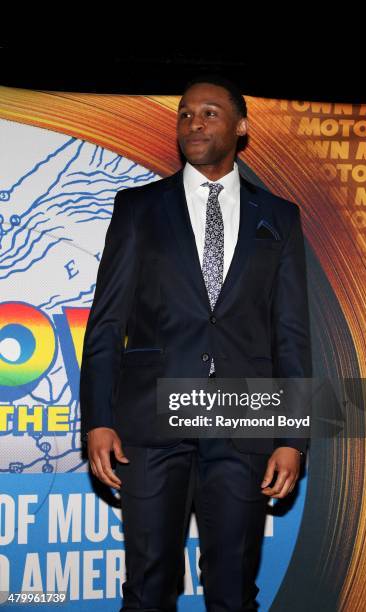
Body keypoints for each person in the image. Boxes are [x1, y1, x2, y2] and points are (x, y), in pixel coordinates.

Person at [79, 73, 312, 611]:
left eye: (209, 112)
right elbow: (107, 323)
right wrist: (98, 419)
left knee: (233, 593)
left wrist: (293, 437)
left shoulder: (279, 217)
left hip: (243, 422)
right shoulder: (138, 208)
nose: (193, 122)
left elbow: (292, 335)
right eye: (185, 113)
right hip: (150, 422)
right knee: (147, 588)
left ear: (242, 127)